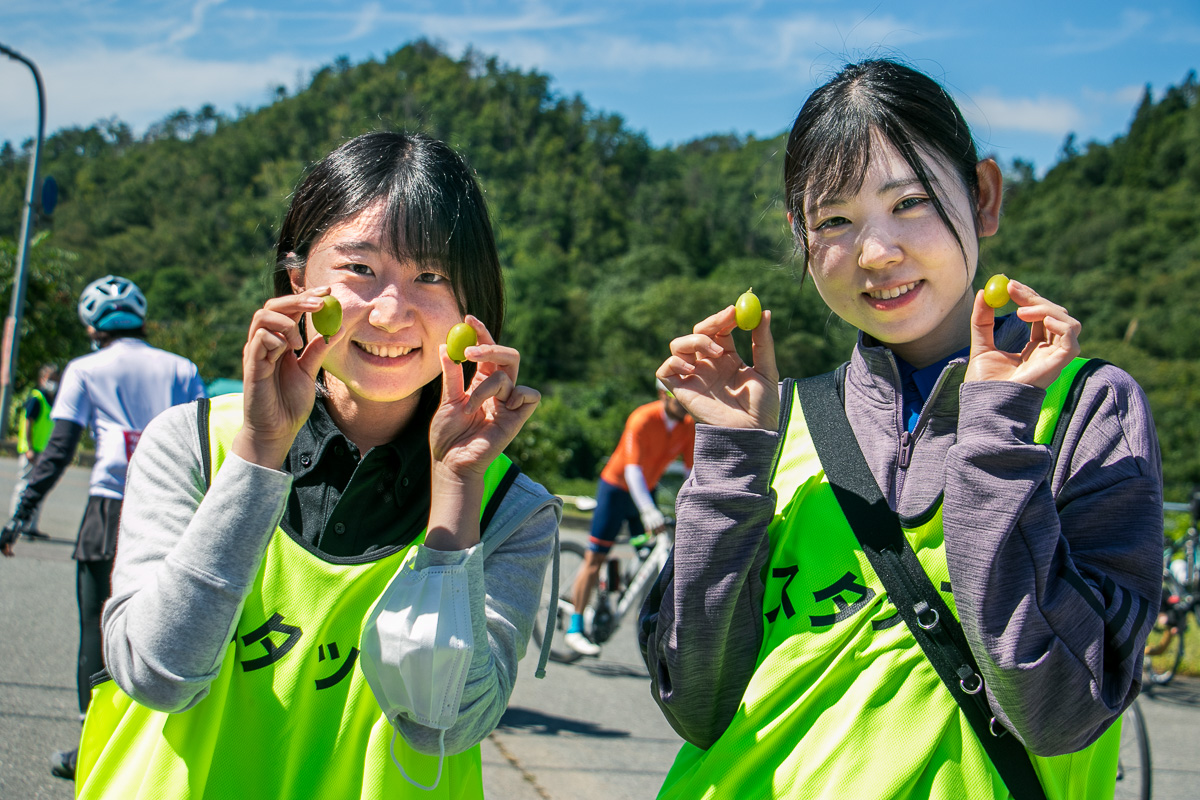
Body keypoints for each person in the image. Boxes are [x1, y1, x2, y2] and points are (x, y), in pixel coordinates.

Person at [640, 59, 1163, 800]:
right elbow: (697, 705)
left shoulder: (1086, 409)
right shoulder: (773, 423)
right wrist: (731, 457)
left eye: (911, 202)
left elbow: (1060, 709)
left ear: (982, 196)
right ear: (801, 236)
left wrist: (994, 438)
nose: (877, 253)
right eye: (834, 221)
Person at [71, 131, 560, 800]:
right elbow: (158, 673)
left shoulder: (509, 506)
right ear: (298, 280)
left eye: (432, 276)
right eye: (359, 269)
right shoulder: (190, 442)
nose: (390, 313)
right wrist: (259, 454)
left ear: (472, 300)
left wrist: (454, 492)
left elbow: (442, 723)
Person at [1, 274, 207, 779]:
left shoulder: (85, 369)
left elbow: (59, 449)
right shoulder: (181, 367)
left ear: (93, 326)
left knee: (97, 626)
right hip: (174, 503)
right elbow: (204, 435)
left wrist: (20, 515)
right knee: (169, 624)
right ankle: (153, 743)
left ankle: (91, 745)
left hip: (109, 505)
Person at [565, 379, 694, 656]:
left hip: (645, 490)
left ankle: (610, 588)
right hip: (617, 489)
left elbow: (690, 472)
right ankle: (574, 627)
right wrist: (648, 510)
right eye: (678, 396)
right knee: (596, 556)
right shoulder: (642, 418)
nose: (685, 402)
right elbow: (632, 470)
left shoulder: (688, 426)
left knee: (644, 549)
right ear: (663, 394)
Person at [8, 362, 60, 539]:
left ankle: (30, 527)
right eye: (50, 379)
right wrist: (29, 448)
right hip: (33, 450)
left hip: (44, 451)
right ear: (42, 379)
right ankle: (17, 525)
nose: (53, 383)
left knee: (39, 489)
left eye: (56, 379)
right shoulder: (36, 399)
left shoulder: (52, 400)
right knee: (25, 487)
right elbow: (27, 423)